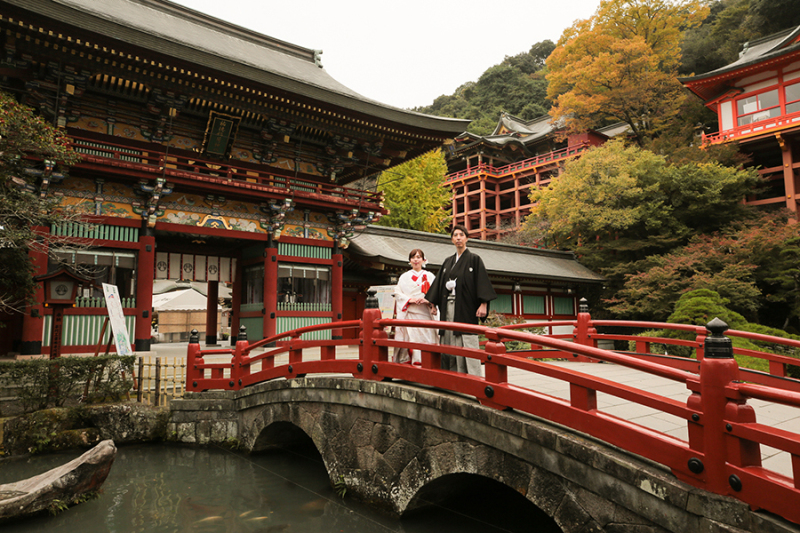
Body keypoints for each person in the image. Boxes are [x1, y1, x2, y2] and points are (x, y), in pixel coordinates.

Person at [423, 225, 497, 376]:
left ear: (467, 238)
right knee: (448, 338)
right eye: (455, 235)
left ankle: (472, 377)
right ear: (452, 239)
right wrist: (433, 303)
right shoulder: (448, 262)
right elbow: (438, 284)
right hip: (448, 306)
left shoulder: (474, 259)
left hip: (466, 307)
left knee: (466, 339)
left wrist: (483, 304)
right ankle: (449, 376)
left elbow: (481, 282)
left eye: (461, 235)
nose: (458, 238)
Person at [392, 249, 438, 365]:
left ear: (423, 260)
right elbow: (398, 293)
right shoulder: (404, 277)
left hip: (425, 313)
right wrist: (409, 300)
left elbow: (436, 293)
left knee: (427, 340)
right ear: (410, 261)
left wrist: (428, 301)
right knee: (411, 340)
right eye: (413, 257)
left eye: (418, 257)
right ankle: (413, 363)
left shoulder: (430, 276)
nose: (416, 260)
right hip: (410, 313)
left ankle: (428, 363)